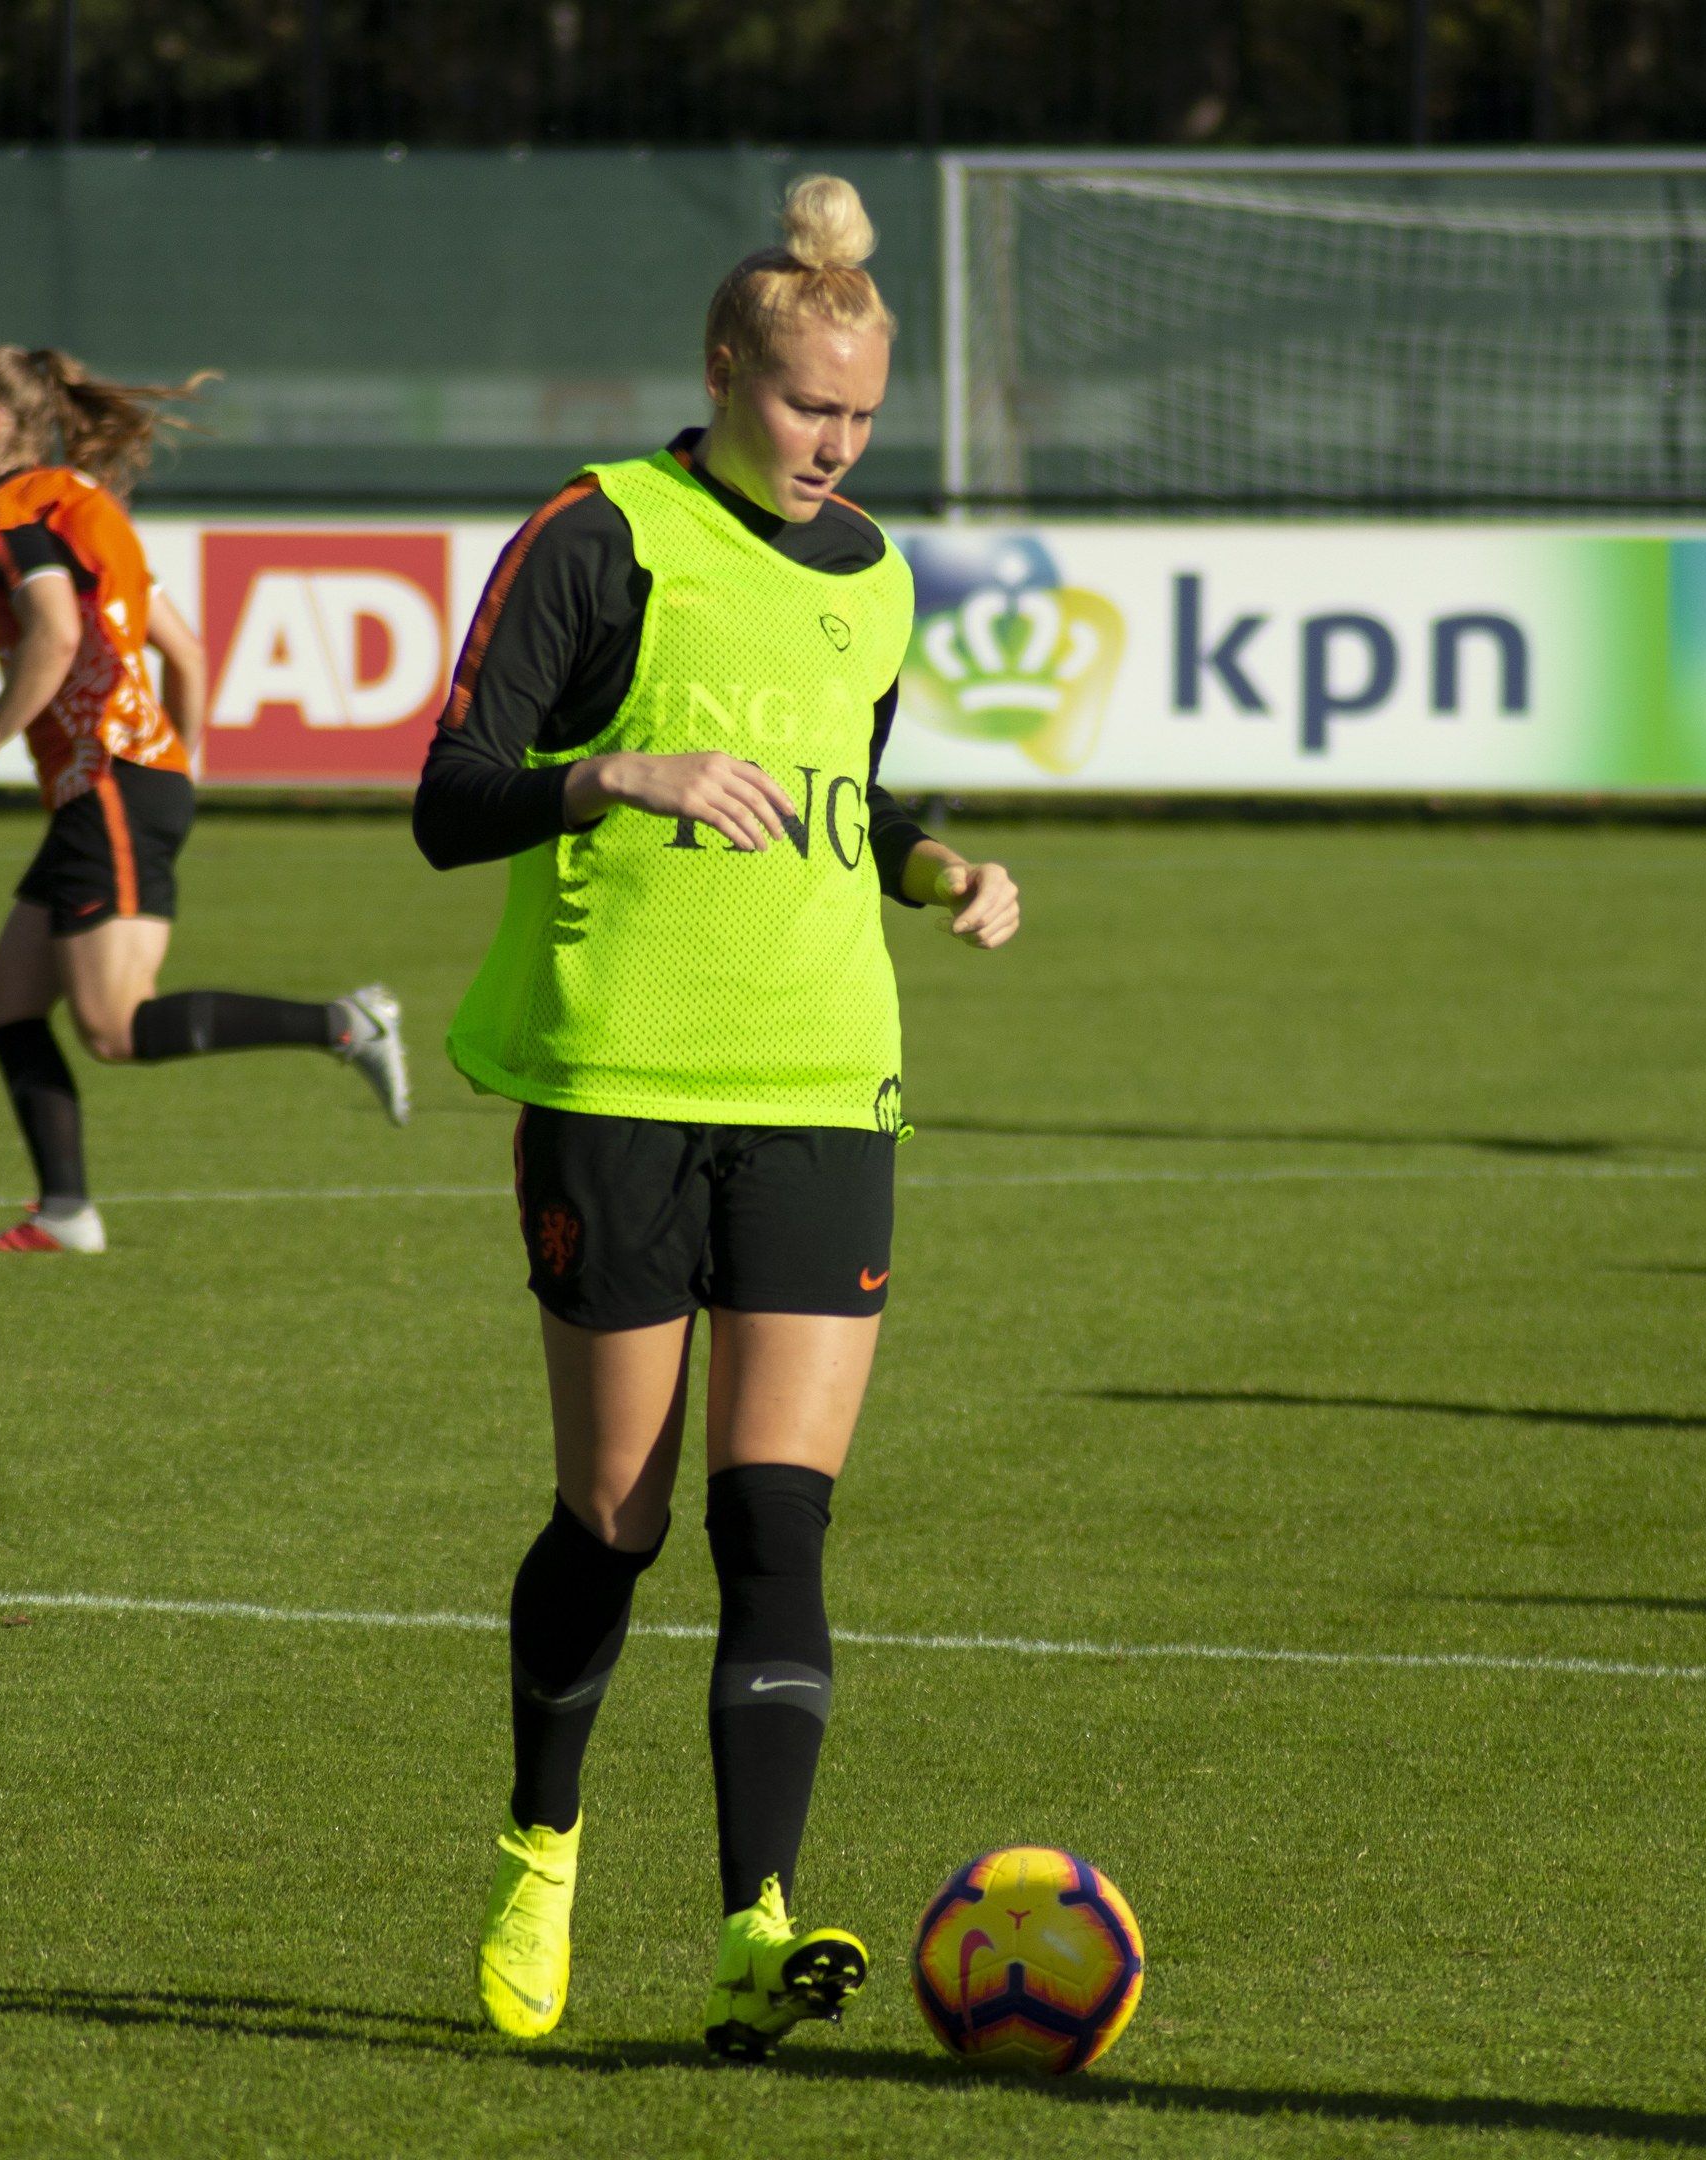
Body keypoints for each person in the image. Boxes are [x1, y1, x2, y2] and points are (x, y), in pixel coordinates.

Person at [413, 176, 1022, 2060]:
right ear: (721, 372)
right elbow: (448, 796)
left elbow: (841, 791)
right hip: (617, 1083)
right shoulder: (601, 533)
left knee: (779, 1524)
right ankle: (540, 1848)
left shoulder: (879, 573)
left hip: (826, 1081)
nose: (833, 445)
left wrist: (934, 867)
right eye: (804, 405)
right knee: (618, 1518)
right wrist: (616, 775)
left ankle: (755, 1928)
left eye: (861, 416)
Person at [0, 345, 410, 1254]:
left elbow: (54, 632)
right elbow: (184, 652)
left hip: (107, 780)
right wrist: (178, 767)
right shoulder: (85, 507)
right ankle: (65, 1213)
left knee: (114, 1027)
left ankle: (345, 1024)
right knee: (8, 1001)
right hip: (126, 779)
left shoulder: (15, 507)